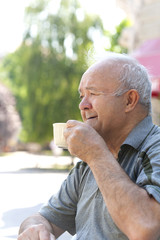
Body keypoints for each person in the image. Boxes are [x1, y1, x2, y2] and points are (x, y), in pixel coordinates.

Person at [18, 52, 160, 240]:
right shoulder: (89, 162)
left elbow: (146, 228)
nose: (82, 105)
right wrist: (35, 228)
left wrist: (96, 155)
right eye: (81, 96)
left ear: (129, 100)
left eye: (93, 93)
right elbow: (45, 217)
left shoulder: (152, 147)